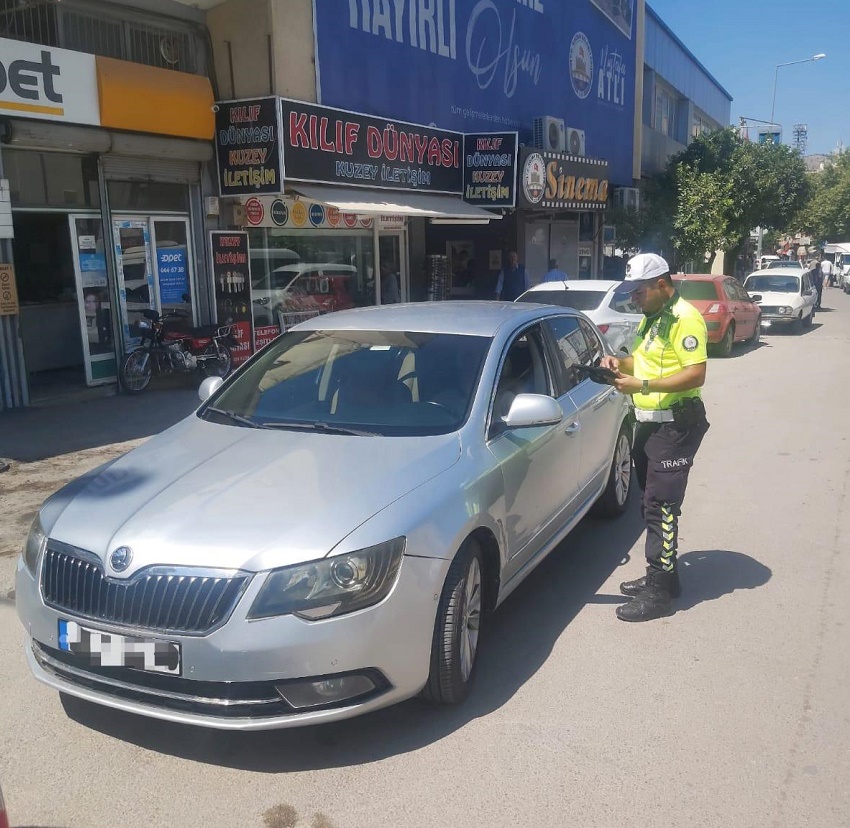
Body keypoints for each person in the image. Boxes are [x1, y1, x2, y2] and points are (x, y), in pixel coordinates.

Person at [600, 253, 710, 622]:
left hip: (675, 426)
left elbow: (696, 375)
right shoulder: (654, 317)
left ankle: (659, 592)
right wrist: (619, 363)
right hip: (649, 423)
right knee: (650, 502)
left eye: (639, 292)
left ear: (662, 285)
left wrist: (642, 383)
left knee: (660, 506)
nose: (634, 299)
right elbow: (643, 362)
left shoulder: (685, 319)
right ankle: (666, 576)